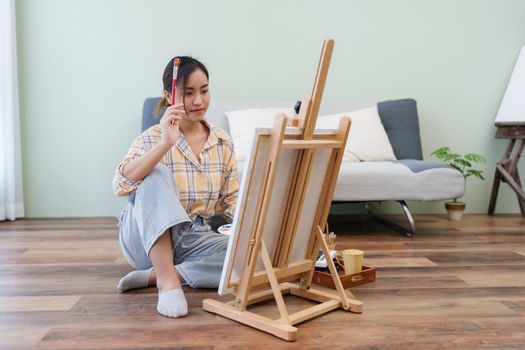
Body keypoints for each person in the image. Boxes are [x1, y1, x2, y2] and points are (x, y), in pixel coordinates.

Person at [112, 56, 239, 318]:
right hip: (144, 238)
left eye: (204, 91)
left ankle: (164, 273)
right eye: (188, 93)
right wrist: (164, 145)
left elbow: (231, 201)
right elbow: (121, 184)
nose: (198, 101)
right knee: (156, 173)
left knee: (252, 256)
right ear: (170, 96)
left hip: (193, 238)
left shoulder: (222, 142)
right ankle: (167, 283)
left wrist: (252, 231)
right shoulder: (152, 138)